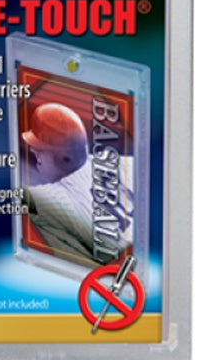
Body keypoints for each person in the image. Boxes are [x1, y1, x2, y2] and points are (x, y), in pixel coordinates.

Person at [22, 102, 133, 265]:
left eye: (39, 149)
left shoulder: (55, 197)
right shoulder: (126, 163)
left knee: (37, 220)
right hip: (151, 254)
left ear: (64, 158)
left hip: (122, 272)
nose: (33, 151)